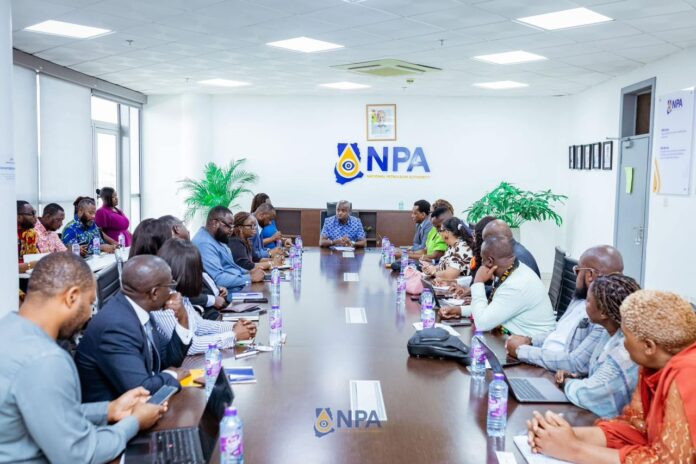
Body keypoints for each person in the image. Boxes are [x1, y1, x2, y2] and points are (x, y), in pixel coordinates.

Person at [0, 252, 166, 463]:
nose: (90, 315)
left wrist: (108, 410)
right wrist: (134, 421)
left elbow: (49, 412)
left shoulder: (9, 329)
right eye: (90, 304)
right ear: (72, 297)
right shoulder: (46, 359)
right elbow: (79, 455)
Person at [526, 290, 696, 463]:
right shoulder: (651, 365)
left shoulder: (688, 374)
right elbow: (634, 430)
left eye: (625, 336)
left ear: (648, 346)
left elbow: (670, 460)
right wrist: (558, 435)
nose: (622, 343)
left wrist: (573, 449)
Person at [75, 255, 192, 402]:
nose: (172, 292)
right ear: (155, 293)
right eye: (170, 286)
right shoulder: (116, 327)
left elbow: (168, 361)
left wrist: (183, 317)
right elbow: (141, 391)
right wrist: (173, 376)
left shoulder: (138, 309)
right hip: (113, 413)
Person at [507, 245, 624, 373]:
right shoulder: (579, 299)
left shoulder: (602, 316)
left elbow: (576, 363)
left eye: (577, 271)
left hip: (555, 371)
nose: (576, 277)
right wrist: (530, 341)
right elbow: (558, 332)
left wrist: (521, 351)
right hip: (542, 359)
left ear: (589, 275)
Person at [152, 238, 257, 355]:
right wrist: (234, 335)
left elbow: (199, 325)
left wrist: (235, 326)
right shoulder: (165, 300)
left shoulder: (179, 292)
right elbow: (190, 346)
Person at [555, 274, 640, 418]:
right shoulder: (609, 333)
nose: (585, 305)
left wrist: (567, 382)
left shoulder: (624, 350)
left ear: (603, 313)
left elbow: (588, 394)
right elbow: (601, 374)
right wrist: (579, 377)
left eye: (588, 301)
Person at [441, 236, 556, 337]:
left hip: (532, 346)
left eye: (482, 259)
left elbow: (482, 323)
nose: (481, 264)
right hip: (515, 338)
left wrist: (478, 282)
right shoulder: (512, 269)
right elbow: (494, 309)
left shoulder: (516, 285)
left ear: (490, 261)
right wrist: (459, 310)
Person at [192, 206, 264, 296]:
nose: (231, 230)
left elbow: (232, 266)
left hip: (238, 285)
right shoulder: (204, 243)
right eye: (229, 225)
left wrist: (249, 272)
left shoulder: (218, 238)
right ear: (215, 223)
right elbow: (218, 279)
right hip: (229, 292)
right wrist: (249, 278)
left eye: (233, 226)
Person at [17, 201, 39, 273]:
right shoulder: (6, 235)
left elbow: (36, 256)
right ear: (18, 217)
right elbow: (7, 267)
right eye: (31, 214)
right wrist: (32, 265)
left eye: (35, 213)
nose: (36, 217)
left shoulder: (31, 234)